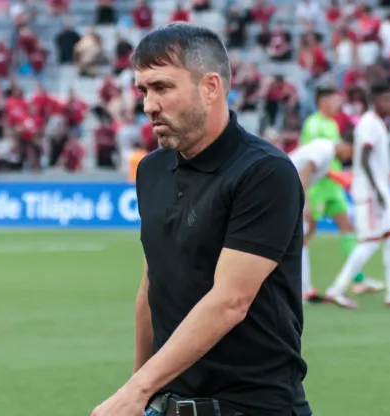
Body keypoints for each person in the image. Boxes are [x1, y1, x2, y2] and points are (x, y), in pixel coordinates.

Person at [91, 23, 311, 416]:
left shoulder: (264, 172)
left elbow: (230, 301)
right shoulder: (152, 170)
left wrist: (136, 390)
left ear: (210, 87)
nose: (148, 105)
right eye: (143, 91)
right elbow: (151, 286)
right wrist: (140, 392)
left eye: (162, 87)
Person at [325, 84, 390, 308]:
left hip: (378, 189)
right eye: (385, 100)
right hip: (370, 192)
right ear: (374, 101)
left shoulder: (377, 123)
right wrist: (377, 190)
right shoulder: (369, 123)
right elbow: (365, 157)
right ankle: (336, 289)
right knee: (370, 241)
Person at [300, 86, 385, 299]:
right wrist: (340, 177)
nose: (338, 103)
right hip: (317, 185)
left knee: (348, 227)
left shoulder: (332, 124)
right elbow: (311, 161)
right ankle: (302, 284)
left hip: (333, 187)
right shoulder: (314, 124)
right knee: (305, 233)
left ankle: (356, 279)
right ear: (323, 101)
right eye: (334, 99)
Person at [288, 137, 355, 303]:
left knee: (299, 240)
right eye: (351, 152)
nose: (349, 158)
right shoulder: (325, 150)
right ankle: (303, 290)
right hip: (285, 192)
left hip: (285, 191)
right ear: (345, 144)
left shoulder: (325, 150)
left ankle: (305, 289)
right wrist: (305, 203)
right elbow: (305, 170)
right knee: (298, 240)